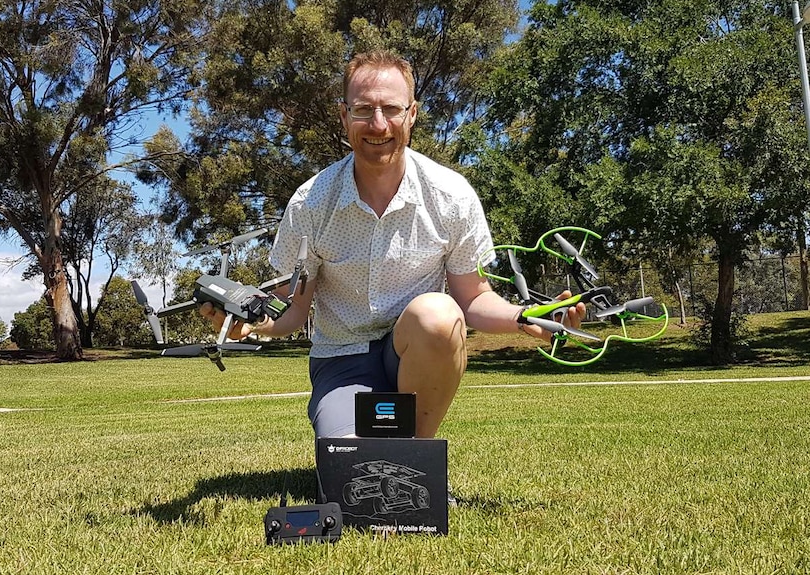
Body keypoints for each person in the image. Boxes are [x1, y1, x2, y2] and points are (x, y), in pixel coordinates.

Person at [201, 50, 584, 438]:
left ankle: (418, 454)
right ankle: (364, 443)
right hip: (341, 358)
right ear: (344, 116)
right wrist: (253, 325)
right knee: (349, 468)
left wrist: (524, 317)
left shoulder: (453, 196)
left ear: (412, 114)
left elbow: (472, 299)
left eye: (391, 109)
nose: (379, 124)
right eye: (364, 109)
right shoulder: (310, 203)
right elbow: (294, 308)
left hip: (412, 354)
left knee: (437, 313)